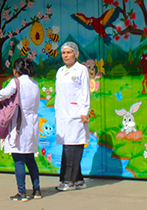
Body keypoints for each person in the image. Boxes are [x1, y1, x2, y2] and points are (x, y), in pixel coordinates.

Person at [0, 58, 41, 201]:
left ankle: (22, 192)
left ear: (16, 70)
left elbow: (3, 94)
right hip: (32, 124)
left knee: (18, 159)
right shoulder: (35, 83)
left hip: (19, 124)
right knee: (30, 159)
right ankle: (37, 190)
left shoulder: (16, 82)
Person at [54, 42, 91, 191]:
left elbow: (85, 91)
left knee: (73, 146)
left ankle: (68, 180)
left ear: (76, 54)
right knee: (67, 146)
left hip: (77, 113)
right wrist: (57, 112)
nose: (66, 55)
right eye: (64, 53)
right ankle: (78, 180)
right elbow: (58, 95)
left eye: (69, 52)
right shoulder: (60, 71)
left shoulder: (81, 70)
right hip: (63, 113)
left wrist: (84, 111)